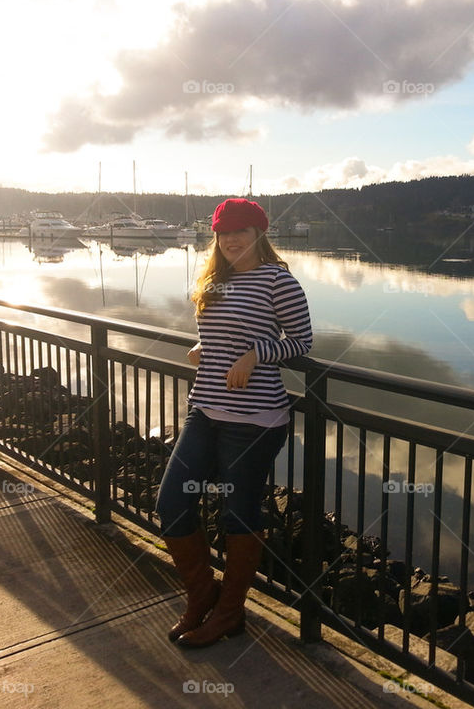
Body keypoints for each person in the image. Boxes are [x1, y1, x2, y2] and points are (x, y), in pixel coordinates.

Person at [154, 197, 312, 648]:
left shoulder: (278, 281)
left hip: (255, 419)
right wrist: (205, 346)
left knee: (238, 514)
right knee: (171, 503)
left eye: (240, 231)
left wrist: (256, 354)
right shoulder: (216, 279)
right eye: (224, 233)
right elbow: (222, 327)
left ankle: (228, 614)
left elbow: (301, 339)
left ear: (260, 234)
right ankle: (202, 598)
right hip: (205, 408)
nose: (231, 240)